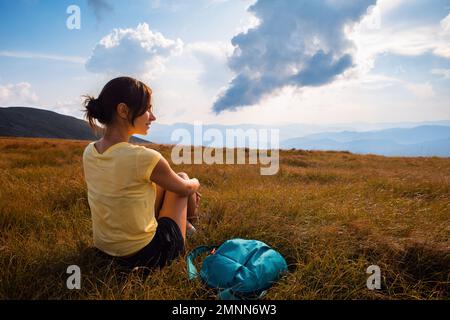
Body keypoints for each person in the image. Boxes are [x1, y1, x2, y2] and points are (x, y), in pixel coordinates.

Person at [81, 76, 201, 272]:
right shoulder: (142, 157)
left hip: (105, 250)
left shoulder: (89, 151)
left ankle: (185, 225)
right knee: (182, 179)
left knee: (163, 182)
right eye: (147, 109)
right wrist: (195, 182)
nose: (152, 117)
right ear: (123, 110)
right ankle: (192, 226)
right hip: (146, 255)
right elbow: (185, 189)